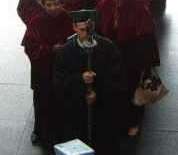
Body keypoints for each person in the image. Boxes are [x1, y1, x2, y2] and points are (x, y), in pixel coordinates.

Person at [96, 0, 160, 138]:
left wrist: (145, 64)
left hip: (132, 55)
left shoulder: (139, 6)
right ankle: (115, 121)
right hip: (110, 54)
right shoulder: (105, 3)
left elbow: (147, 37)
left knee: (133, 91)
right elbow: (99, 30)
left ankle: (134, 122)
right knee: (112, 89)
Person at [54, 10, 126, 155]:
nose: (87, 34)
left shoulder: (107, 47)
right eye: (82, 30)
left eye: (90, 30)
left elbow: (119, 78)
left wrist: (97, 91)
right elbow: (58, 82)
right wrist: (80, 81)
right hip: (76, 111)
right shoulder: (65, 52)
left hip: (103, 111)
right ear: (74, 27)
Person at [22, 0, 74, 149]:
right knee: (41, 100)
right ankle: (39, 130)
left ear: (62, 2)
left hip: (63, 68)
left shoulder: (68, 19)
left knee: (62, 100)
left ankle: (61, 130)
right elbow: (30, 46)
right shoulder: (36, 22)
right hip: (43, 69)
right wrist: (51, 49)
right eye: (49, 5)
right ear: (42, 4)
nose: (53, 8)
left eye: (57, 4)